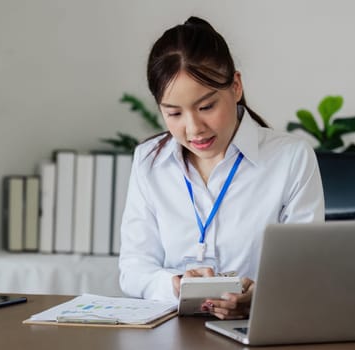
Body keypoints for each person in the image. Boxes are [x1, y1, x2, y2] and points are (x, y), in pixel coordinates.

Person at [118, 16, 325, 320]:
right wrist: (175, 285)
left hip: (261, 329)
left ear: (236, 86)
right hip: (173, 332)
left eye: (206, 107)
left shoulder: (291, 158)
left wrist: (260, 297)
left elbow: (306, 272)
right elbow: (133, 269)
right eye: (173, 113)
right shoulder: (149, 161)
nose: (193, 128)